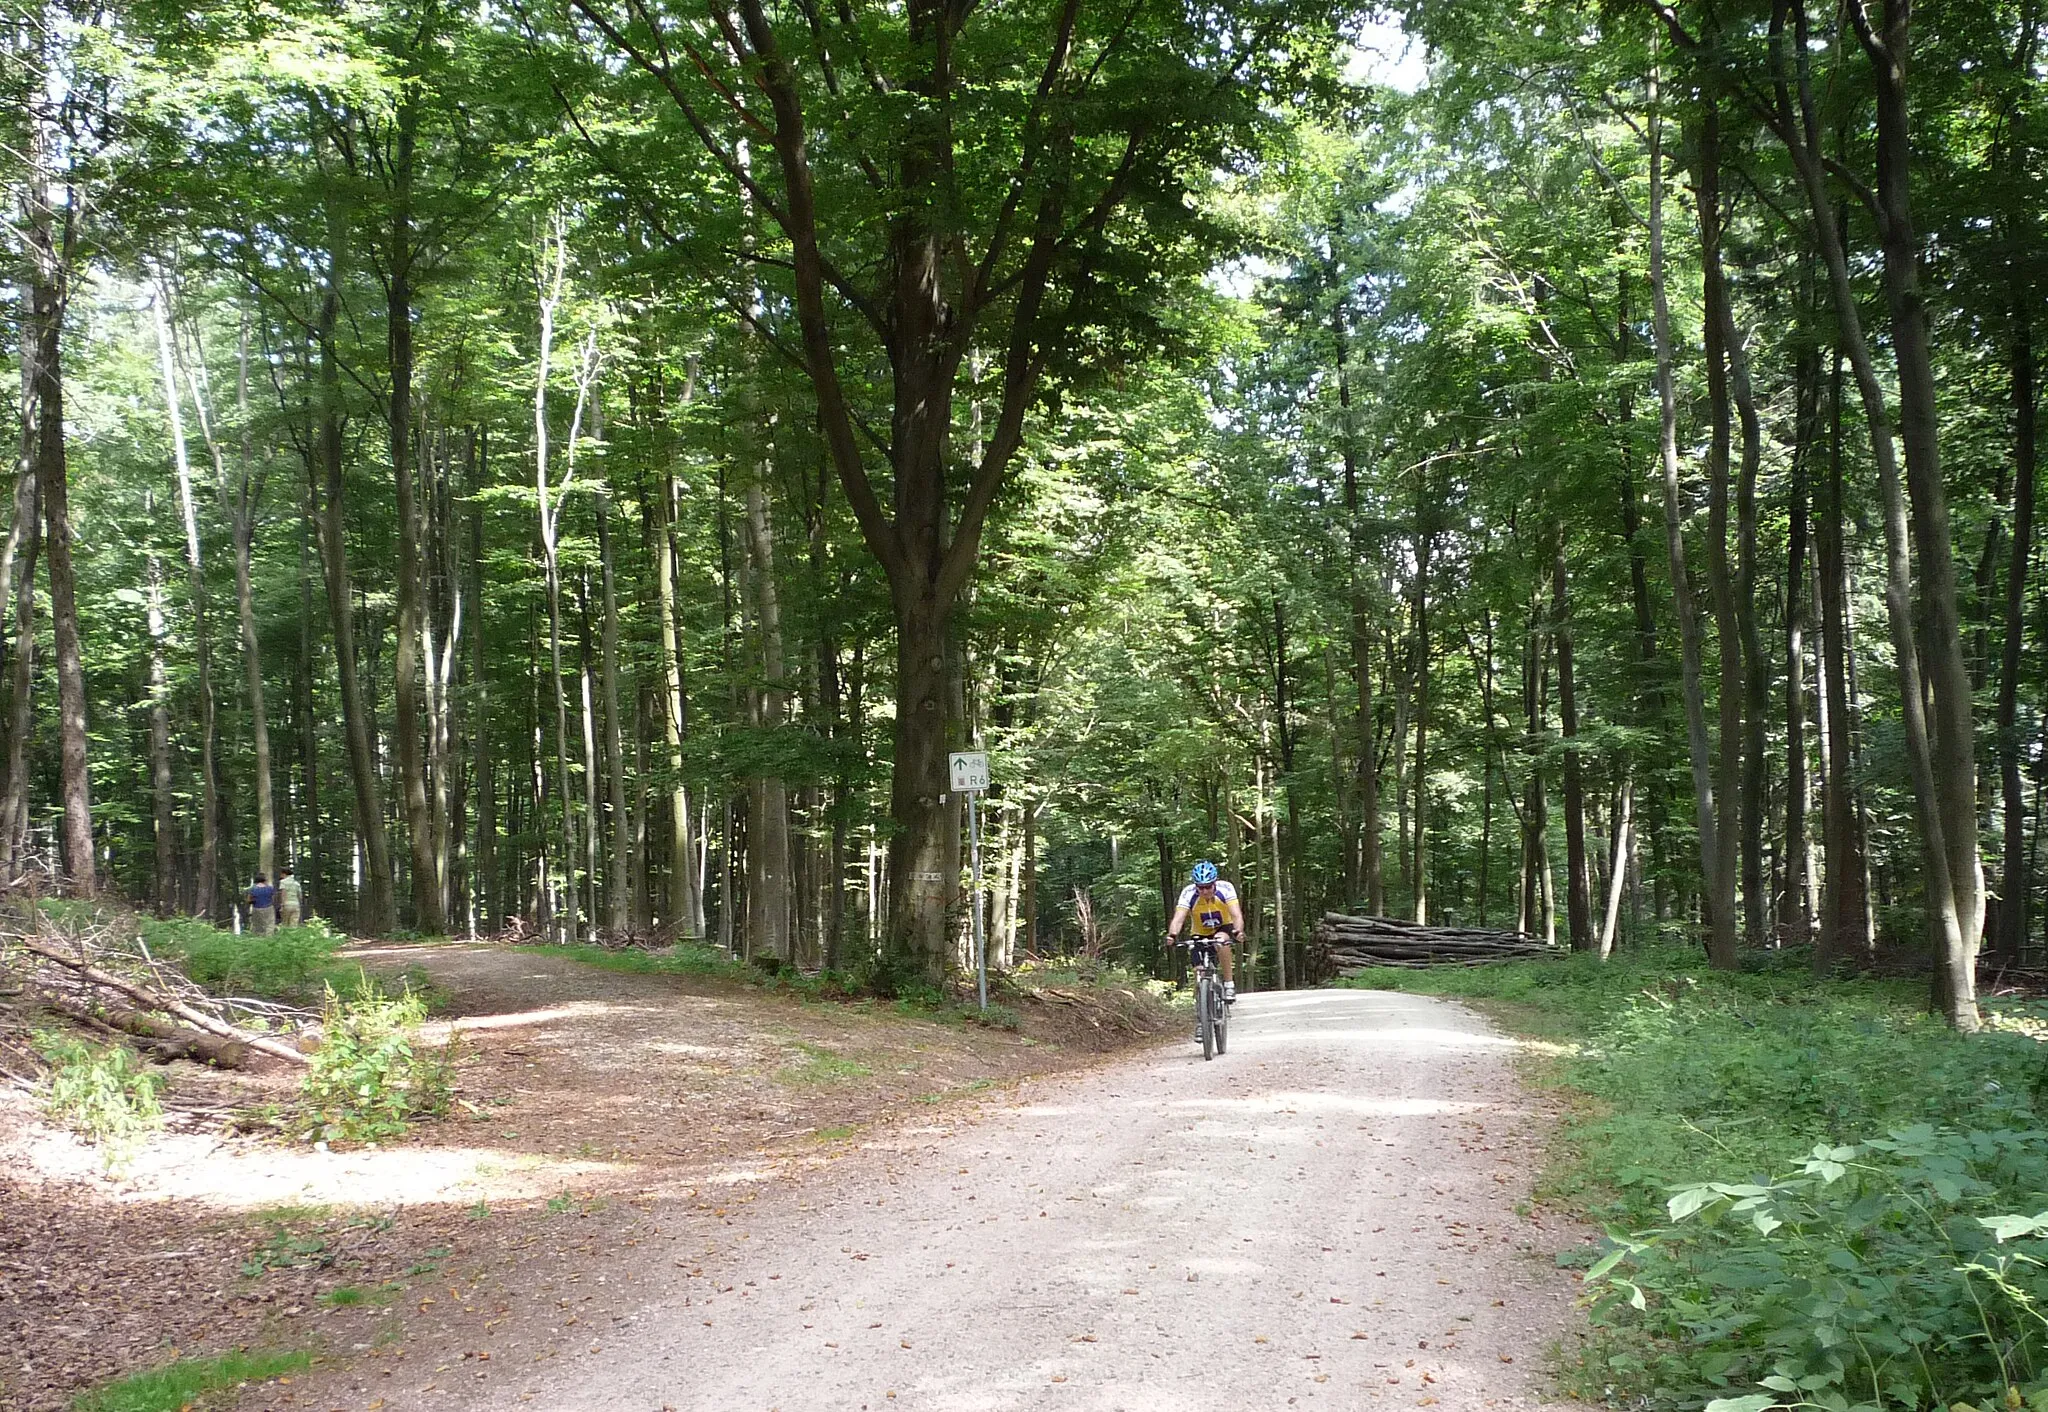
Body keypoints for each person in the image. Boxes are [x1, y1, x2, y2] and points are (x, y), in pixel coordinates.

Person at [1166, 860, 1241, 1003]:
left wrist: (1238, 932)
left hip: (1222, 927)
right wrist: (1172, 935)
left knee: (1221, 941)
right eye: (1201, 888)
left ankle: (1229, 984)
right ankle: (1202, 1013)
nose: (1205, 891)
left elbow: (1236, 914)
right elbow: (1178, 919)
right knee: (1198, 971)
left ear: (1214, 883)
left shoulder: (1225, 889)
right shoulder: (1188, 893)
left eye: (1208, 887)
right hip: (1199, 932)